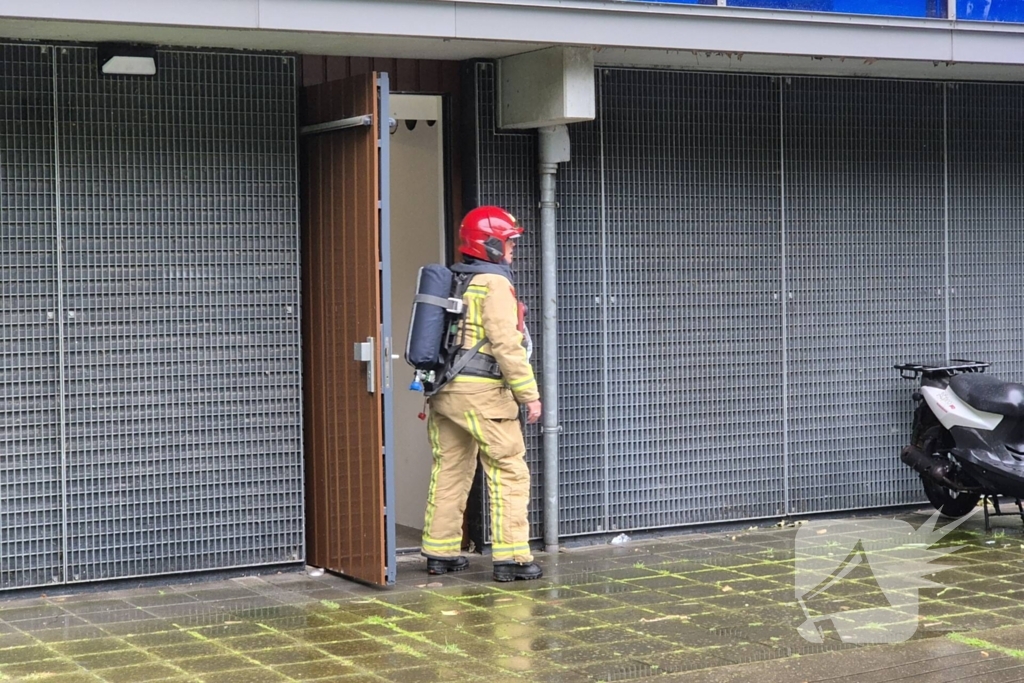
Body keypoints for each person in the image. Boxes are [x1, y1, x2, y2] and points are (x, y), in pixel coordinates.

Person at [420, 206, 544, 582]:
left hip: (444, 392)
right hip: (484, 396)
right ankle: (512, 559)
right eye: (508, 243)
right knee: (509, 470)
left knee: (450, 470)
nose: (512, 251)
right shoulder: (493, 284)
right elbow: (507, 344)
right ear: (489, 244)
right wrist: (529, 395)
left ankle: (439, 553)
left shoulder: (456, 279)